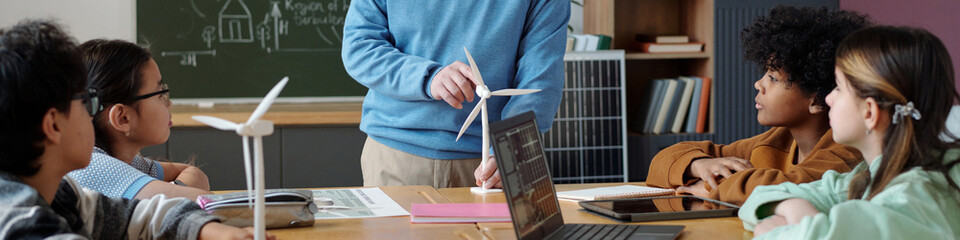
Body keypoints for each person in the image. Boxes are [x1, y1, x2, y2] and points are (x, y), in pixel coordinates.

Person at [0, 20, 272, 239]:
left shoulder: (63, 194)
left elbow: (141, 215)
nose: (92, 113)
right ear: (53, 125)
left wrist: (214, 231)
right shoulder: (20, 224)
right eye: (87, 102)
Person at [740, 25, 960, 239]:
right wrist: (795, 207)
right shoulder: (868, 175)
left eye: (838, 87)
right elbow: (758, 198)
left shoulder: (914, 199)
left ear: (870, 112)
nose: (828, 98)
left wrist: (797, 224)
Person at [645, 6, 869, 205]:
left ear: (818, 98)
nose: (758, 84)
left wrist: (706, 189)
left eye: (773, 78)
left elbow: (788, 189)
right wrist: (700, 165)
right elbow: (662, 160)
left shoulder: (848, 152)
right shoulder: (776, 140)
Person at [341, 0, 568, 188]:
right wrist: (428, 77)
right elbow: (360, 46)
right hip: (397, 154)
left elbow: (540, 76)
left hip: (492, 163)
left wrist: (512, 145)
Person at [67, 39, 213, 200]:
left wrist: (173, 192)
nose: (169, 103)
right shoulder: (92, 164)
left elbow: (196, 175)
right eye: (160, 94)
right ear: (122, 118)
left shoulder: (121, 158)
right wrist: (175, 196)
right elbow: (202, 199)